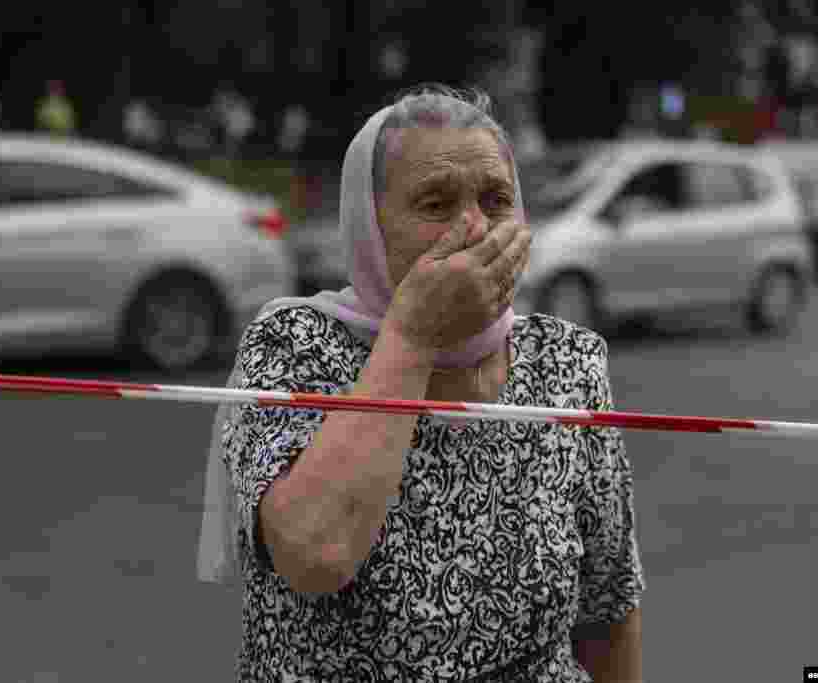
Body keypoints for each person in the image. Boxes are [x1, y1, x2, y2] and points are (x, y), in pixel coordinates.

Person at [198, 83, 645, 682]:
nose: (475, 228)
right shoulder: (294, 345)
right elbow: (315, 554)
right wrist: (412, 338)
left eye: (496, 200)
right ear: (371, 229)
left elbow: (609, 604)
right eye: (436, 205)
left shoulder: (567, 361)